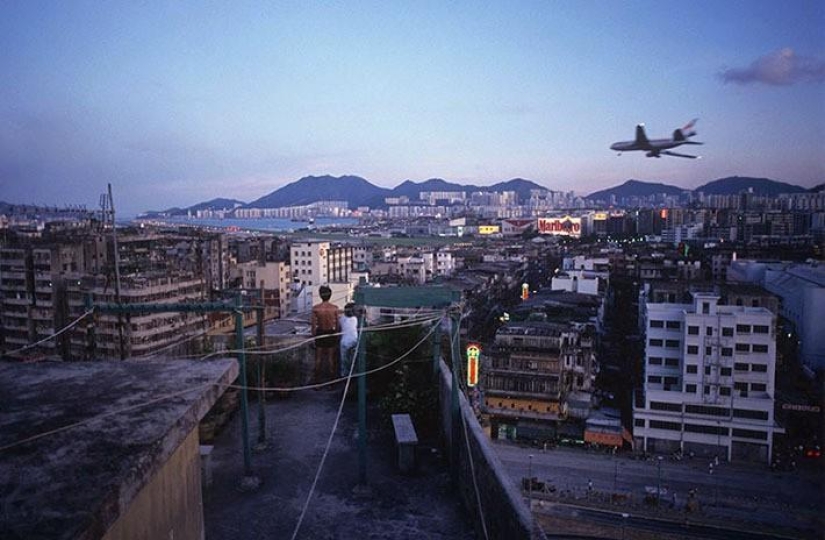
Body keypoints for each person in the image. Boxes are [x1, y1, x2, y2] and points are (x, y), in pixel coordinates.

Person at [311, 285, 339, 385]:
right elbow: (337, 325)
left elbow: (313, 326)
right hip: (331, 333)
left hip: (320, 333)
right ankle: (331, 383)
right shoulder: (335, 308)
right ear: (330, 295)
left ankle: (317, 383)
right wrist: (336, 336)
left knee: (318, 359)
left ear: (320, 295)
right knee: (330, 359)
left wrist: (313, 337)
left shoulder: (316, 309)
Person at [338, 302, 358, 377]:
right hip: (354, 341)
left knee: (344, 361)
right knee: (353, 361)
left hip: (344, 342)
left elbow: (339, 328)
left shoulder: (342, 318)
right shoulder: (356, 319)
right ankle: (352, 376)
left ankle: (345, 376)